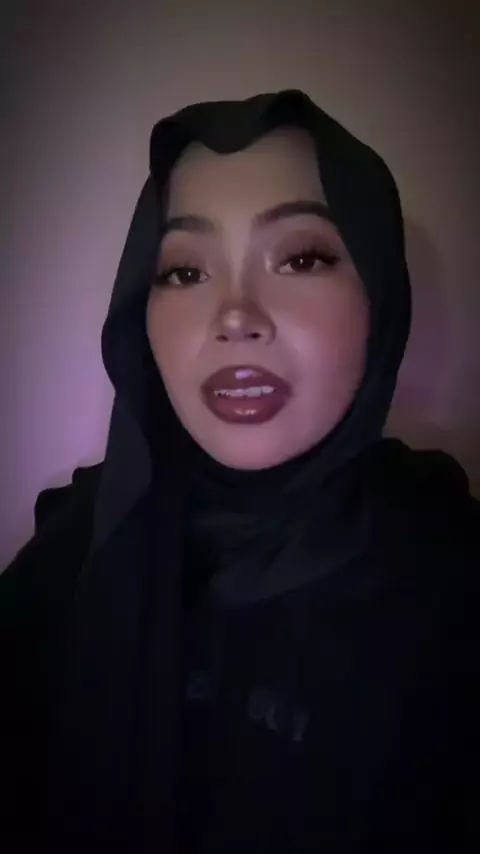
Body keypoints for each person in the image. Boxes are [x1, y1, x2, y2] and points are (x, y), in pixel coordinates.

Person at [1, 89, 479, 852]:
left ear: (380, 297)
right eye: (184, 271)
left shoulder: (453, 580)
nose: (234, 316)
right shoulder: (74, 554)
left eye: (301, 258)